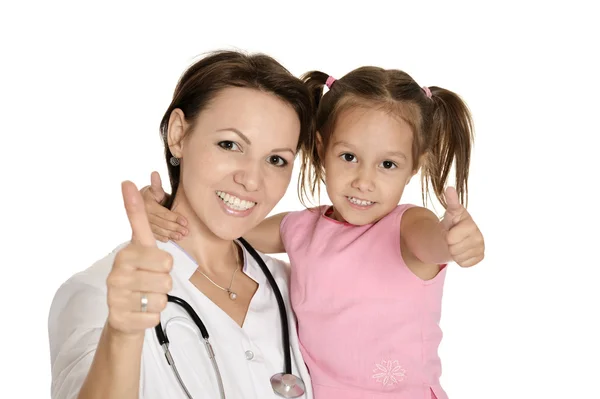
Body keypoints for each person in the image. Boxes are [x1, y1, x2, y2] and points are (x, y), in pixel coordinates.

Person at [144, 66, 486, 399]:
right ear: (322, 149)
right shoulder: (301, 228)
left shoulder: (407, 227)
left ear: (415, 166)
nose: (363, 181)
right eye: (349, 156)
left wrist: (454, 241)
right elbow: (229, 226)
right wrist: (164, 210)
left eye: (387, 164)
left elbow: (434, 243)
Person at [47, 50, 318, 399]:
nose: (252, 180)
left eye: (277, 160)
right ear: (178, 134)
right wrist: (123, 333)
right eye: (230, 144)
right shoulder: (98, 293)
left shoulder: (295, 289)